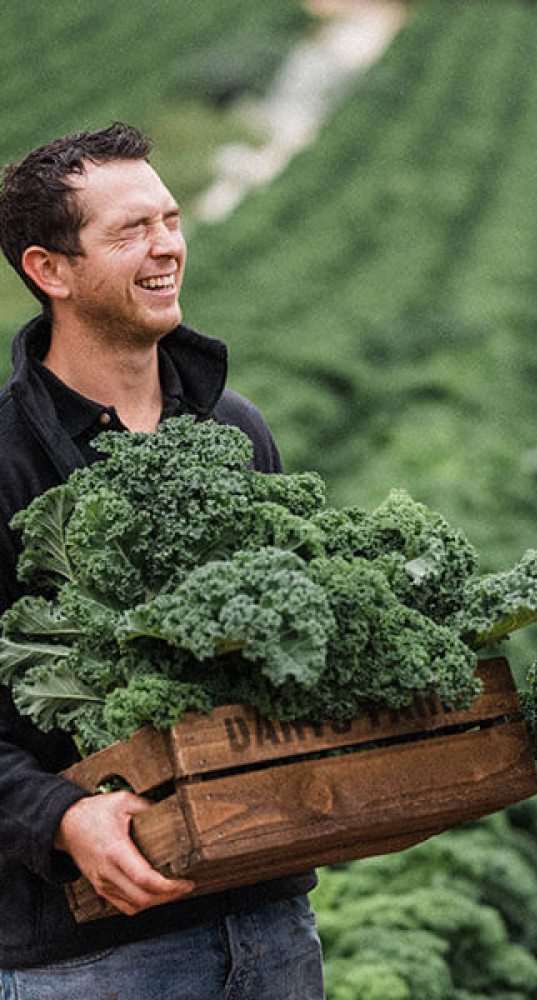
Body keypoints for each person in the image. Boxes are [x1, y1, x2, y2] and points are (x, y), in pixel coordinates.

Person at [0, 123, 324, 998]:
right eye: (131, 230)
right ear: (50, 270)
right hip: (91, 953)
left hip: (269, 920)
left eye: (171, 218)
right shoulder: (3, 459)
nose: (167, 246)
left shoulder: (234, 428)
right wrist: (60, 816)